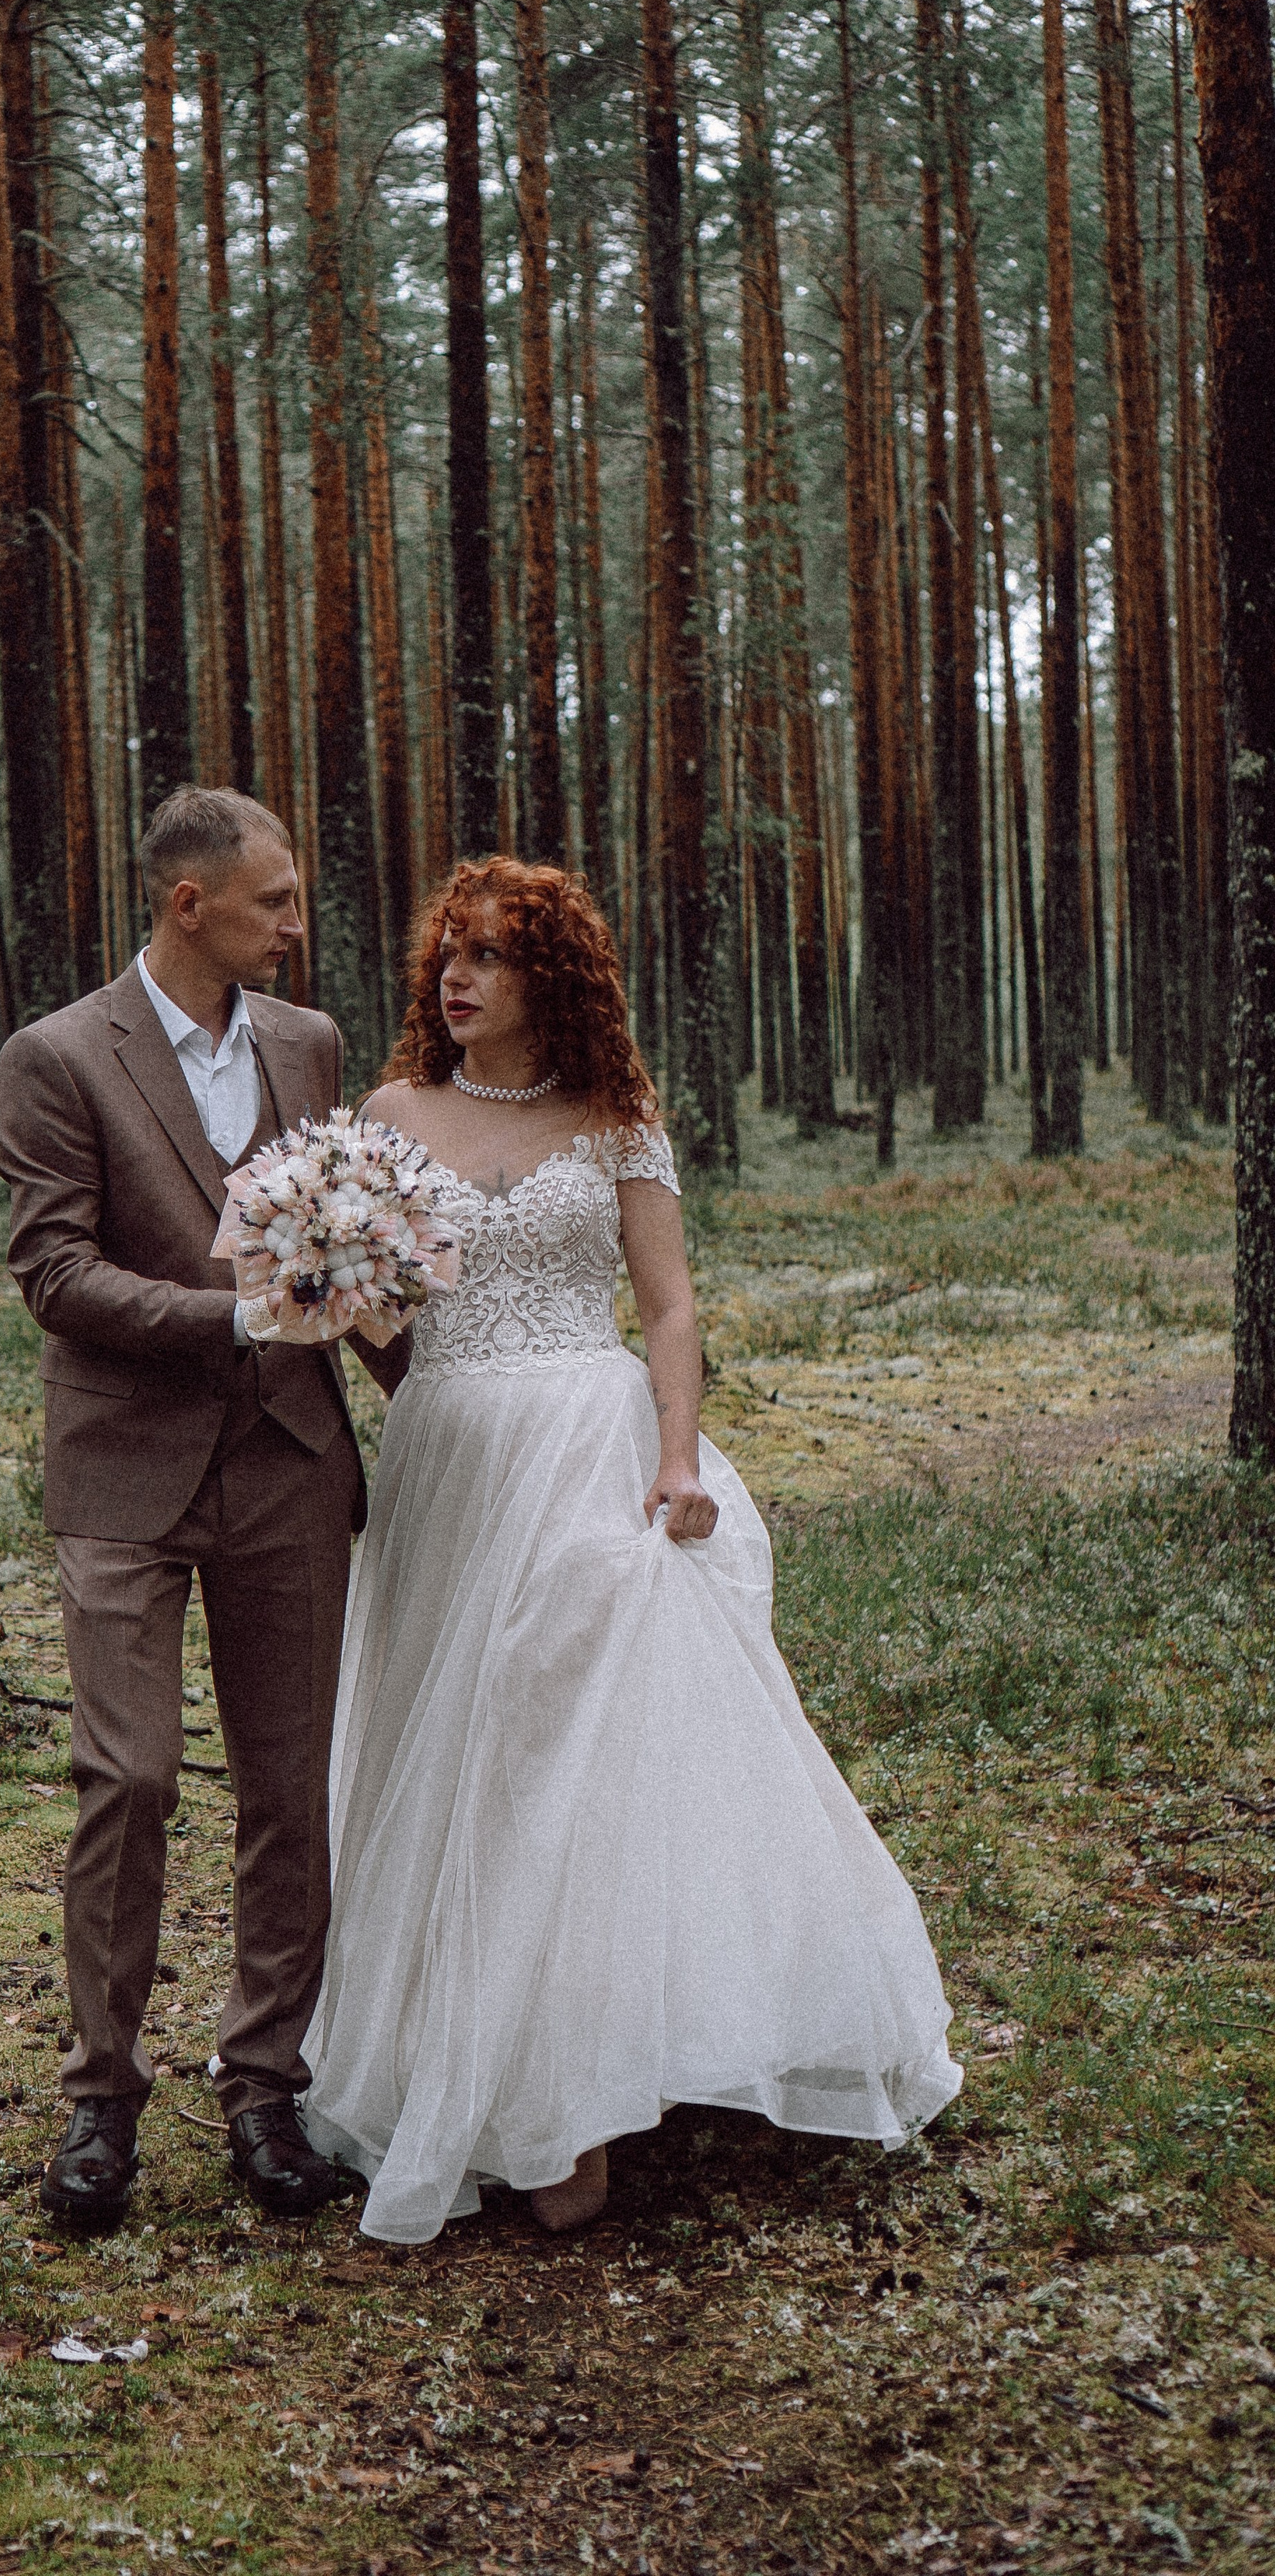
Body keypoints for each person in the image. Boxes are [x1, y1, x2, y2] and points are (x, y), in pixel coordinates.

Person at [301, 859, 961, 2244]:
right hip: (450, 1463)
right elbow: (373, 1314)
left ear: (551, 976)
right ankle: (472, 2073)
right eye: (449, 952)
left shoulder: (616, 1121)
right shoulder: (388, 1117)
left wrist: (678, 1457)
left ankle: (577, 2108)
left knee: (574, 1751)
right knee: (460, 1756)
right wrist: (360, 1328)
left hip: (590, 1451)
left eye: (491, 955)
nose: (457, 977)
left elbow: (667, 1308)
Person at [0, 787, 379, 2233]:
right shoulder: (54, 1058)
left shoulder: (308, 1044)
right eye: (275, 901)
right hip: (125, 1472)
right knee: (130, 1776)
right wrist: (234, 1316)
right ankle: (102, 2098)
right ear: (187, 904)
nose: (296, 926)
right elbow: (54, 1274)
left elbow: (336, 1245)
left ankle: (265, 2088)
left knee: (290, 1786)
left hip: (291, 1460)